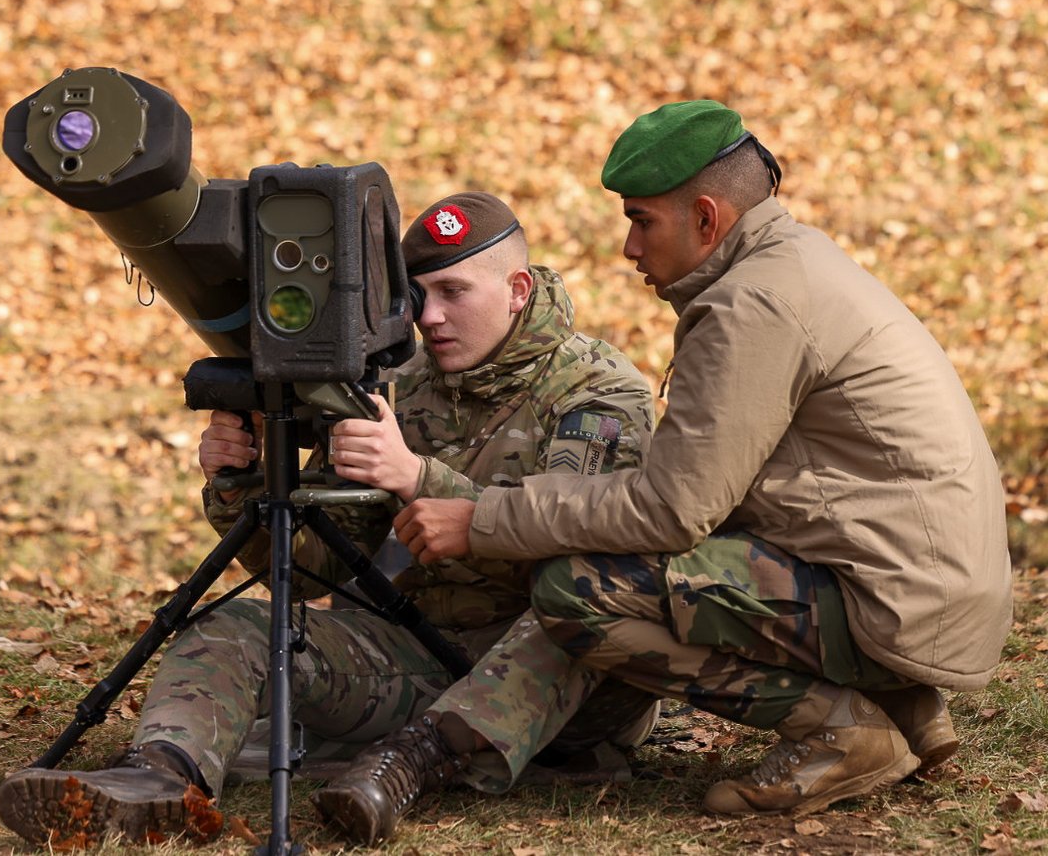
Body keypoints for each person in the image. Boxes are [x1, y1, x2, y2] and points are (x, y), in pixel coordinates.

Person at [393, 101, 1013, 817]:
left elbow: (673, 508)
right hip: (925, 587)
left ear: (708, 220)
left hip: (893, 600)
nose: (629, 247)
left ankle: (836, 727)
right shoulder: (799, 262)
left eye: (642, 220)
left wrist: (486, 517)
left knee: (578, 587)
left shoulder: (751, 306)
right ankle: (905, 708)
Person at [0, 191, 662, 847]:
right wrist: (247, 481)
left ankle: (411, 761)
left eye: (454, 292)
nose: (430, 318)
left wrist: (418, 477)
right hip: (426, 652)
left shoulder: (596, 391)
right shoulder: (404, 382)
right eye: (417, 296)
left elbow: (582, 559)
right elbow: (314, 569)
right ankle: (160, 778)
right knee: (239, 625)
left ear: (518, 289)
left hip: (562, 674)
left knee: (575, 598)